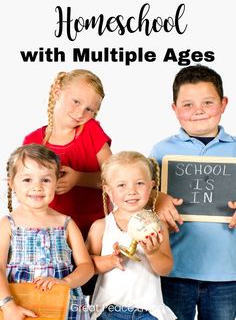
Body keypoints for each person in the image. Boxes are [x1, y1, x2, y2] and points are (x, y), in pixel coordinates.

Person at [150, 65, 236, 320]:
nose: (198, 110)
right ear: (174, 109)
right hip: (175, 269)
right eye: (187, 104)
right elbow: (139, 197)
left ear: (223, 104)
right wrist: (159, 197)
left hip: (227, 272)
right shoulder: (161, 151)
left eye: (207, 102)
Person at [0, 144, 94, 320]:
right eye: (27, 180)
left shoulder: (66, 223)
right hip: (21, 306)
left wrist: (65, 282)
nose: (37, 187)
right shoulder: (8, 224)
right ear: (12, 183)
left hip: (65, 308)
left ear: (57, 182)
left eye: (46, 180)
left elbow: (86, 267)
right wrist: (8, 306)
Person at [86, 151, 176, 320]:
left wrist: (153, 253)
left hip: (148, 312)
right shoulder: (101, 227)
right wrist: (110, 261)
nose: (132, 191)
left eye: (139, 183)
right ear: (108, 190)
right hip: (108, 311)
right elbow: (85, 267)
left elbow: (165, 269)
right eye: (122, 185)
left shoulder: (158, 225)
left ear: (151, 186)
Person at [23, 69, 112, 240]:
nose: (80, 113)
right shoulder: (32, 141)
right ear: (57, 92)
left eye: (89, 109)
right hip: (52, 231)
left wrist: (79, 178)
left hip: (95, 228)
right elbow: (25, 188)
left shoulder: (92, 130)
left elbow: (115, 176)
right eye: (76, 102)